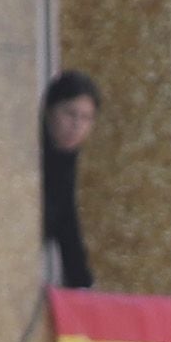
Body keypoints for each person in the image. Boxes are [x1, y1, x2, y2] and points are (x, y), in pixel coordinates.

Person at [39, 69, 102, 291]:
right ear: (49, 112)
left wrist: (82, 283)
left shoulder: (68, 161)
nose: (77, 126)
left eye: (86, 118)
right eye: (70, 114)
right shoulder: (32, 155)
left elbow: (68, 224)